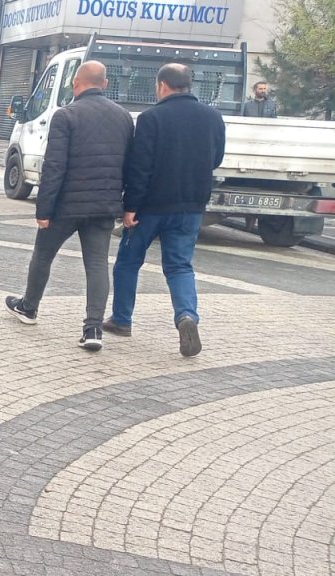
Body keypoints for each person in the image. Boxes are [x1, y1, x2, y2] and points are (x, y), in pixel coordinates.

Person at [3, 61, 134, 351]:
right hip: (104, 206)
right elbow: (130, 166)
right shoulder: (124, 117)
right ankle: (93, 329)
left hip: (66, 205)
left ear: (76, 84)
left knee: (43, 255)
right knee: (98, 264)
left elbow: (55, 166)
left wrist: (44, 210)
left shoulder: (66, 115)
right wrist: (128, 205)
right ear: (105, 83)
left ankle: (29, 307)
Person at [108, 63, 225, 357]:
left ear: (161, 86)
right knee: (179, 266)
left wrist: (130, 206)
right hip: (191, 206)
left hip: (151, 206)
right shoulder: (213, 118)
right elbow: (216, 158)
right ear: (188, 84)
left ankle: (122, 319)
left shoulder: (151, 118)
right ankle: (187, 315)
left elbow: (140, 166)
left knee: (128, 261)